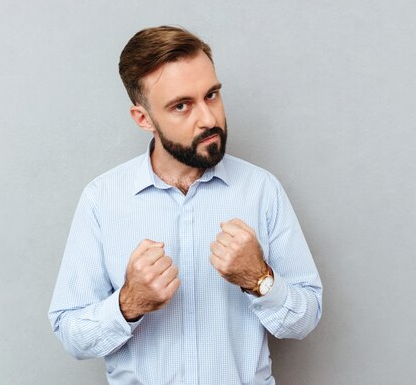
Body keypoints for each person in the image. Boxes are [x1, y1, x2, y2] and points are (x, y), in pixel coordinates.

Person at [48, 25, 323, 385]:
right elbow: (70, 332)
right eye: (182, 106)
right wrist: (128, 303)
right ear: (143, 119)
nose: (208, 119)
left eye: (211, 95)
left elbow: (306, 318)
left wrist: (259, 279)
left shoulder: (261, 190)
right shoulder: (102, 199)